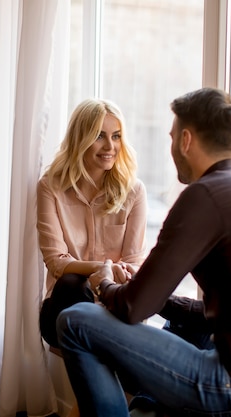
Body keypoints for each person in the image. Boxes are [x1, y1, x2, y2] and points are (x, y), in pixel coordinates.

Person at [55, 88, 231, 417]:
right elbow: (220, 314)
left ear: (185, 140)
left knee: (75, 320)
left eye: (171, 138)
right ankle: (146, 410)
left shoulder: (204, 196)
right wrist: (159, 296)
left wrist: (104, 282)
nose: (171, 149)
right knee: (186, 324)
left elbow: (132, 308)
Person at [37, 98, 148, 348]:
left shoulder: (134, 192)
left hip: (114, 307)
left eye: (117, 136)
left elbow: (133, 263)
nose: (110, 146)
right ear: (81, 139)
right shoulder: (50, 188)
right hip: (65, 307)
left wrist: (107, 277)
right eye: (99, 135)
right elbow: (56, 261)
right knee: (71, 282)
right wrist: (105, 267)